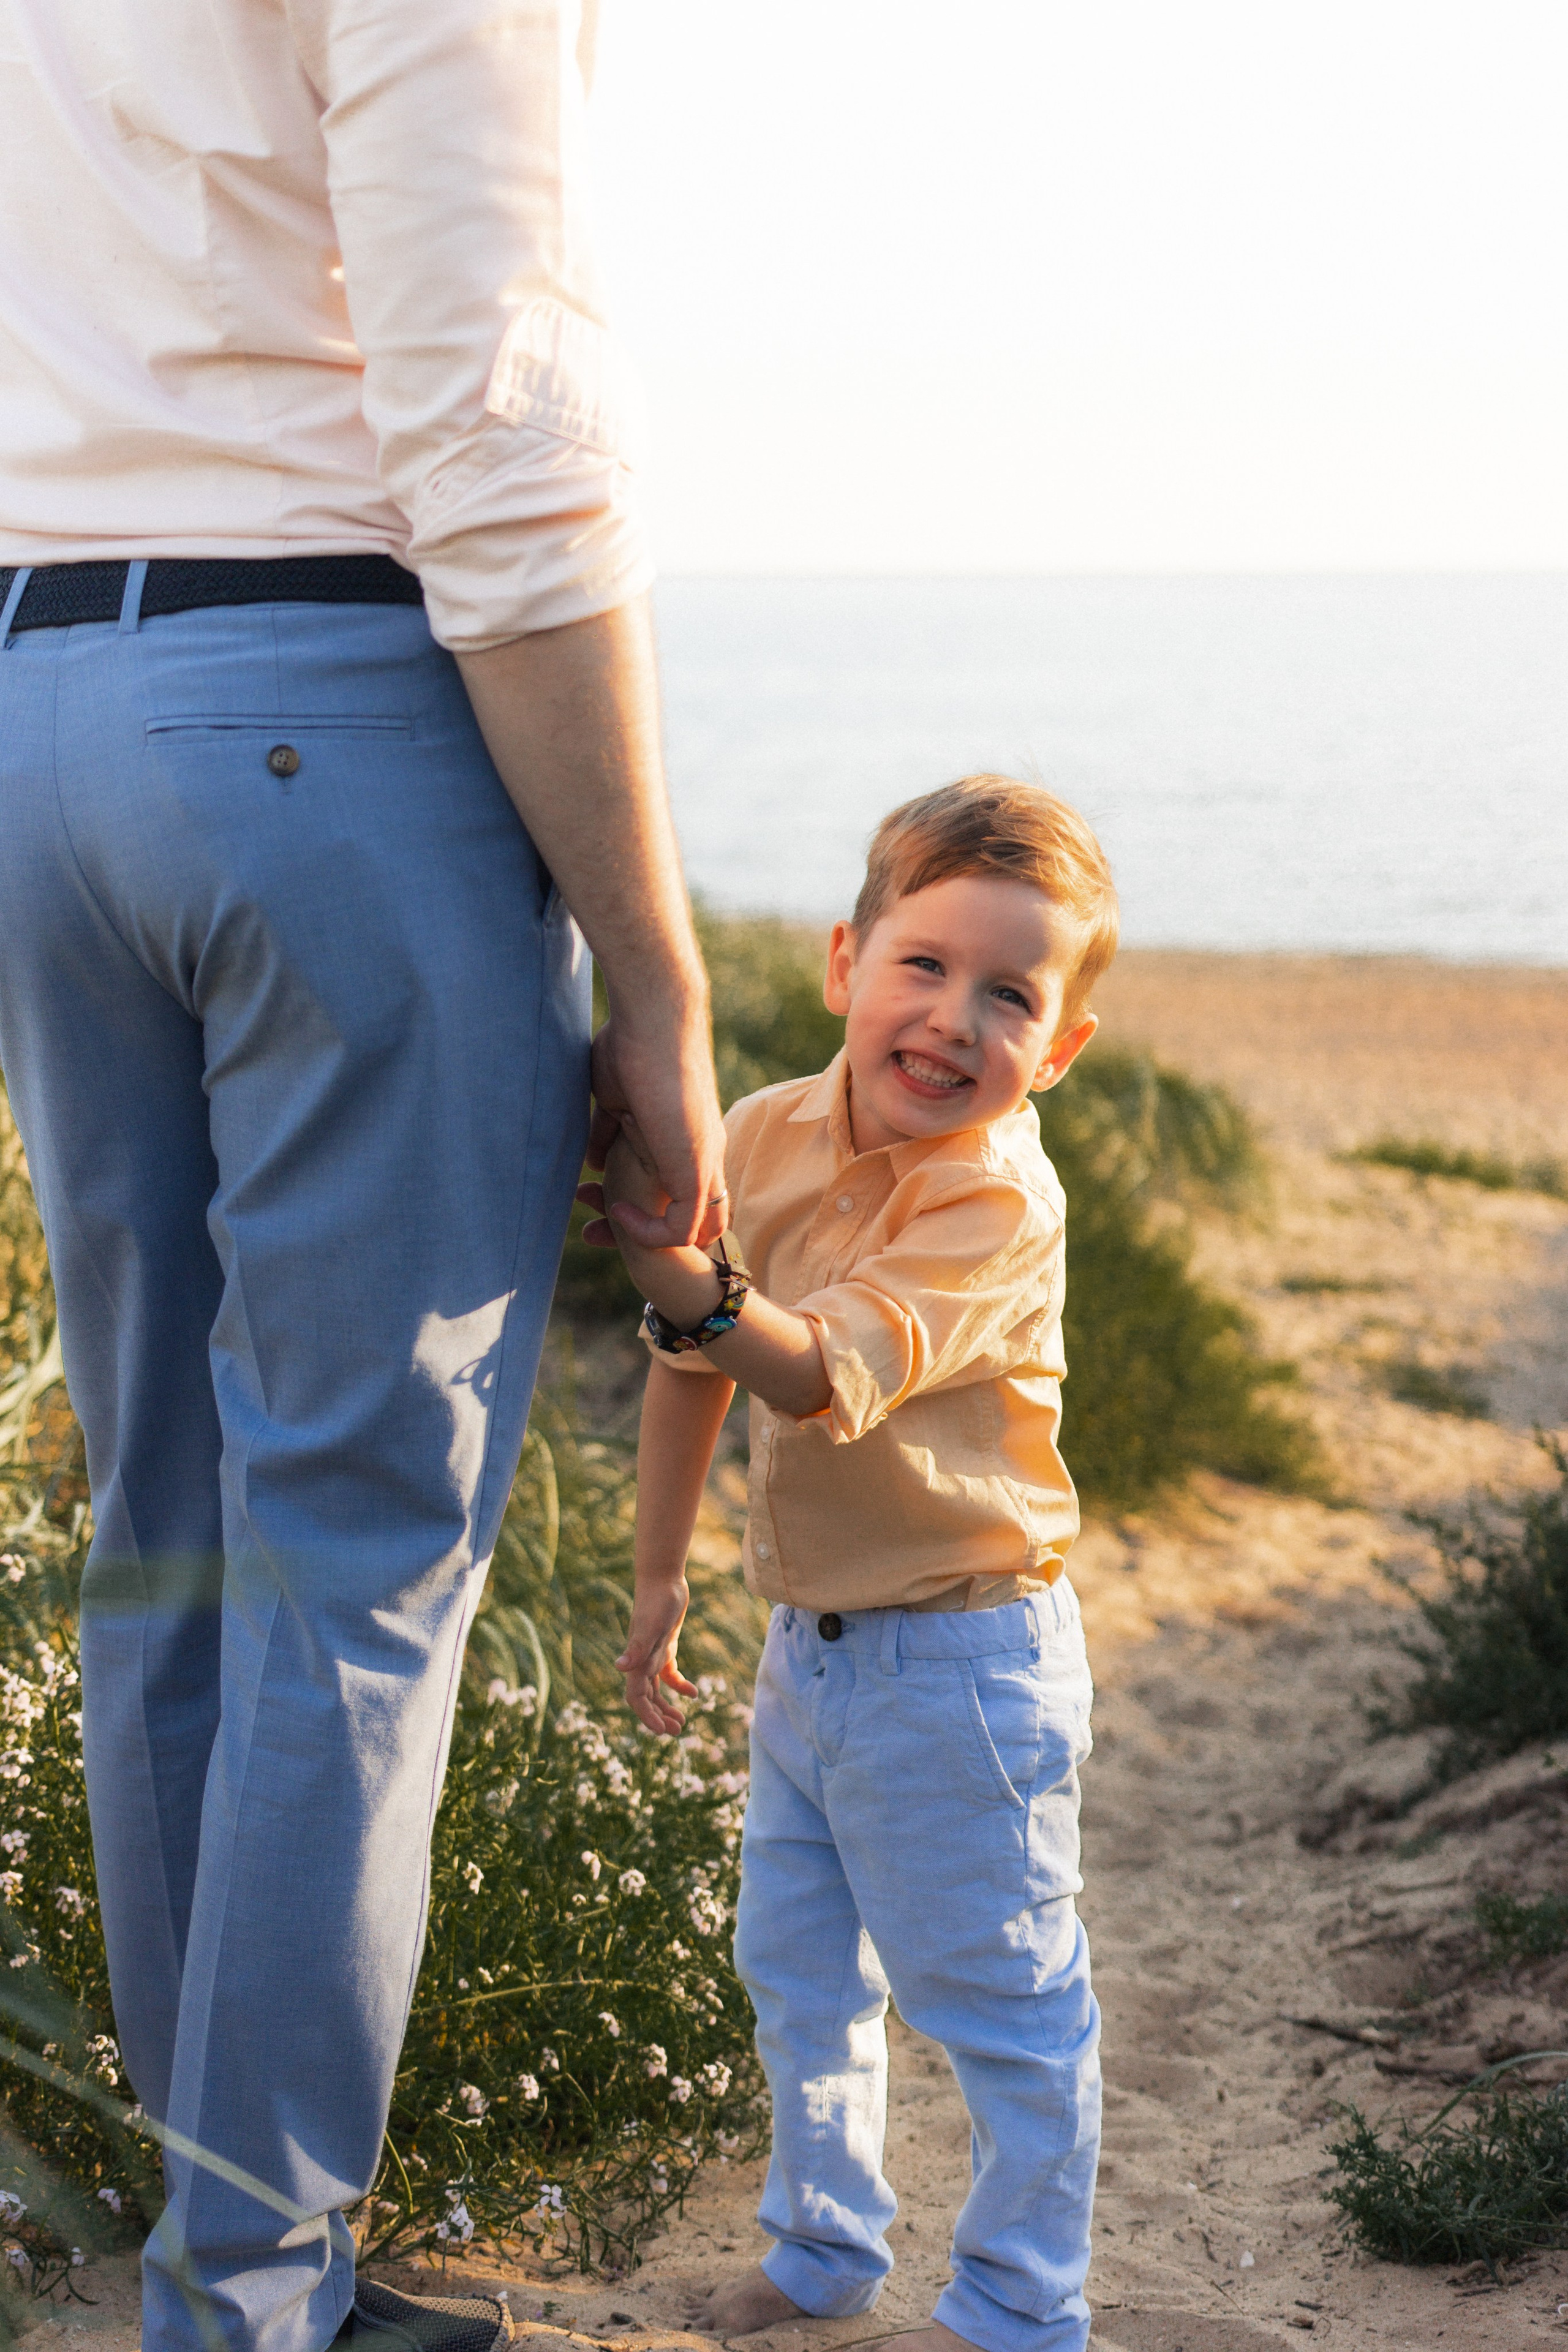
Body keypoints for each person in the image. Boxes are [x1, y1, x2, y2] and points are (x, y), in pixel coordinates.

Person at [0, 6, 724, 2350]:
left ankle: (231, 2253)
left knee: (170, 1531)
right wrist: (658, 976)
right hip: (325, 707)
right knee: (346, 1576)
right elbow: (494, 433)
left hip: (40, 698)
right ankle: (251, 2295)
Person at [584, 775, 1118, 2352]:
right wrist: (660, 1577)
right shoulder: (761, 1133)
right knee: (797, 1971)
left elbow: (809, 1370)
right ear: (844, 963)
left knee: (998, 1998)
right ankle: (822, 2250)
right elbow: (690, 1365)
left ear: (1059, 1049)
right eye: (923, 963)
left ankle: (1020, 2307)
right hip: (805, 1653)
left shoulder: (996, 1197)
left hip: (963, 1664)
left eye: (1010, 995)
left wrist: (673, 1266)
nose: (953, 1018)